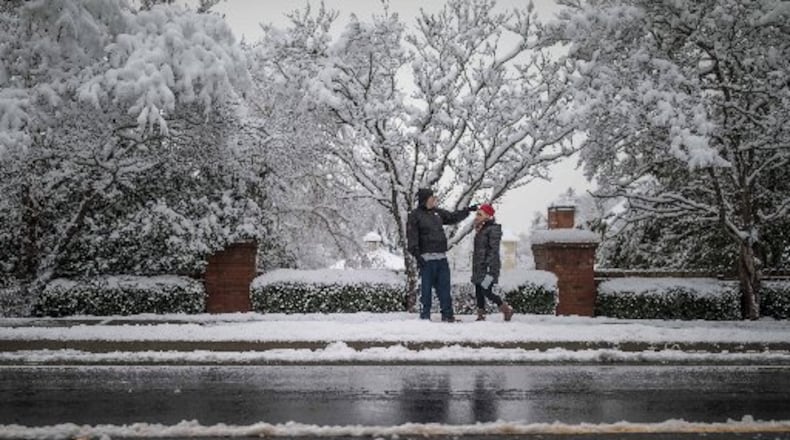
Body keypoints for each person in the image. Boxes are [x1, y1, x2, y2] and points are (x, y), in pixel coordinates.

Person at [407, 188, 476, 322]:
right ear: (424, 199)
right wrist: (417, 256)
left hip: (441, 259)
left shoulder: (437, 213)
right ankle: (425, 317)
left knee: (445, 289)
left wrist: (467, 210)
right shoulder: (415, 215)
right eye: (432, 198)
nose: (435, 200)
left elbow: (453, 217)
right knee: (426, 291)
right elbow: (412, 237)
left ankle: (448, 316)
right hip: (426, 260)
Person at [471, 203, 513, 321]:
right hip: (479, 267)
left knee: (486, 290)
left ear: (488, 216)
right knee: (479, 290)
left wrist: (489, 266)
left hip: (489, 267)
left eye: (480, 214)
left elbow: (493, 250)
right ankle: (481, 315)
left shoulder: (493, 230)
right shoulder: (481, 229)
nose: (477, 216)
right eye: (477, 214)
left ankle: (506, 309)